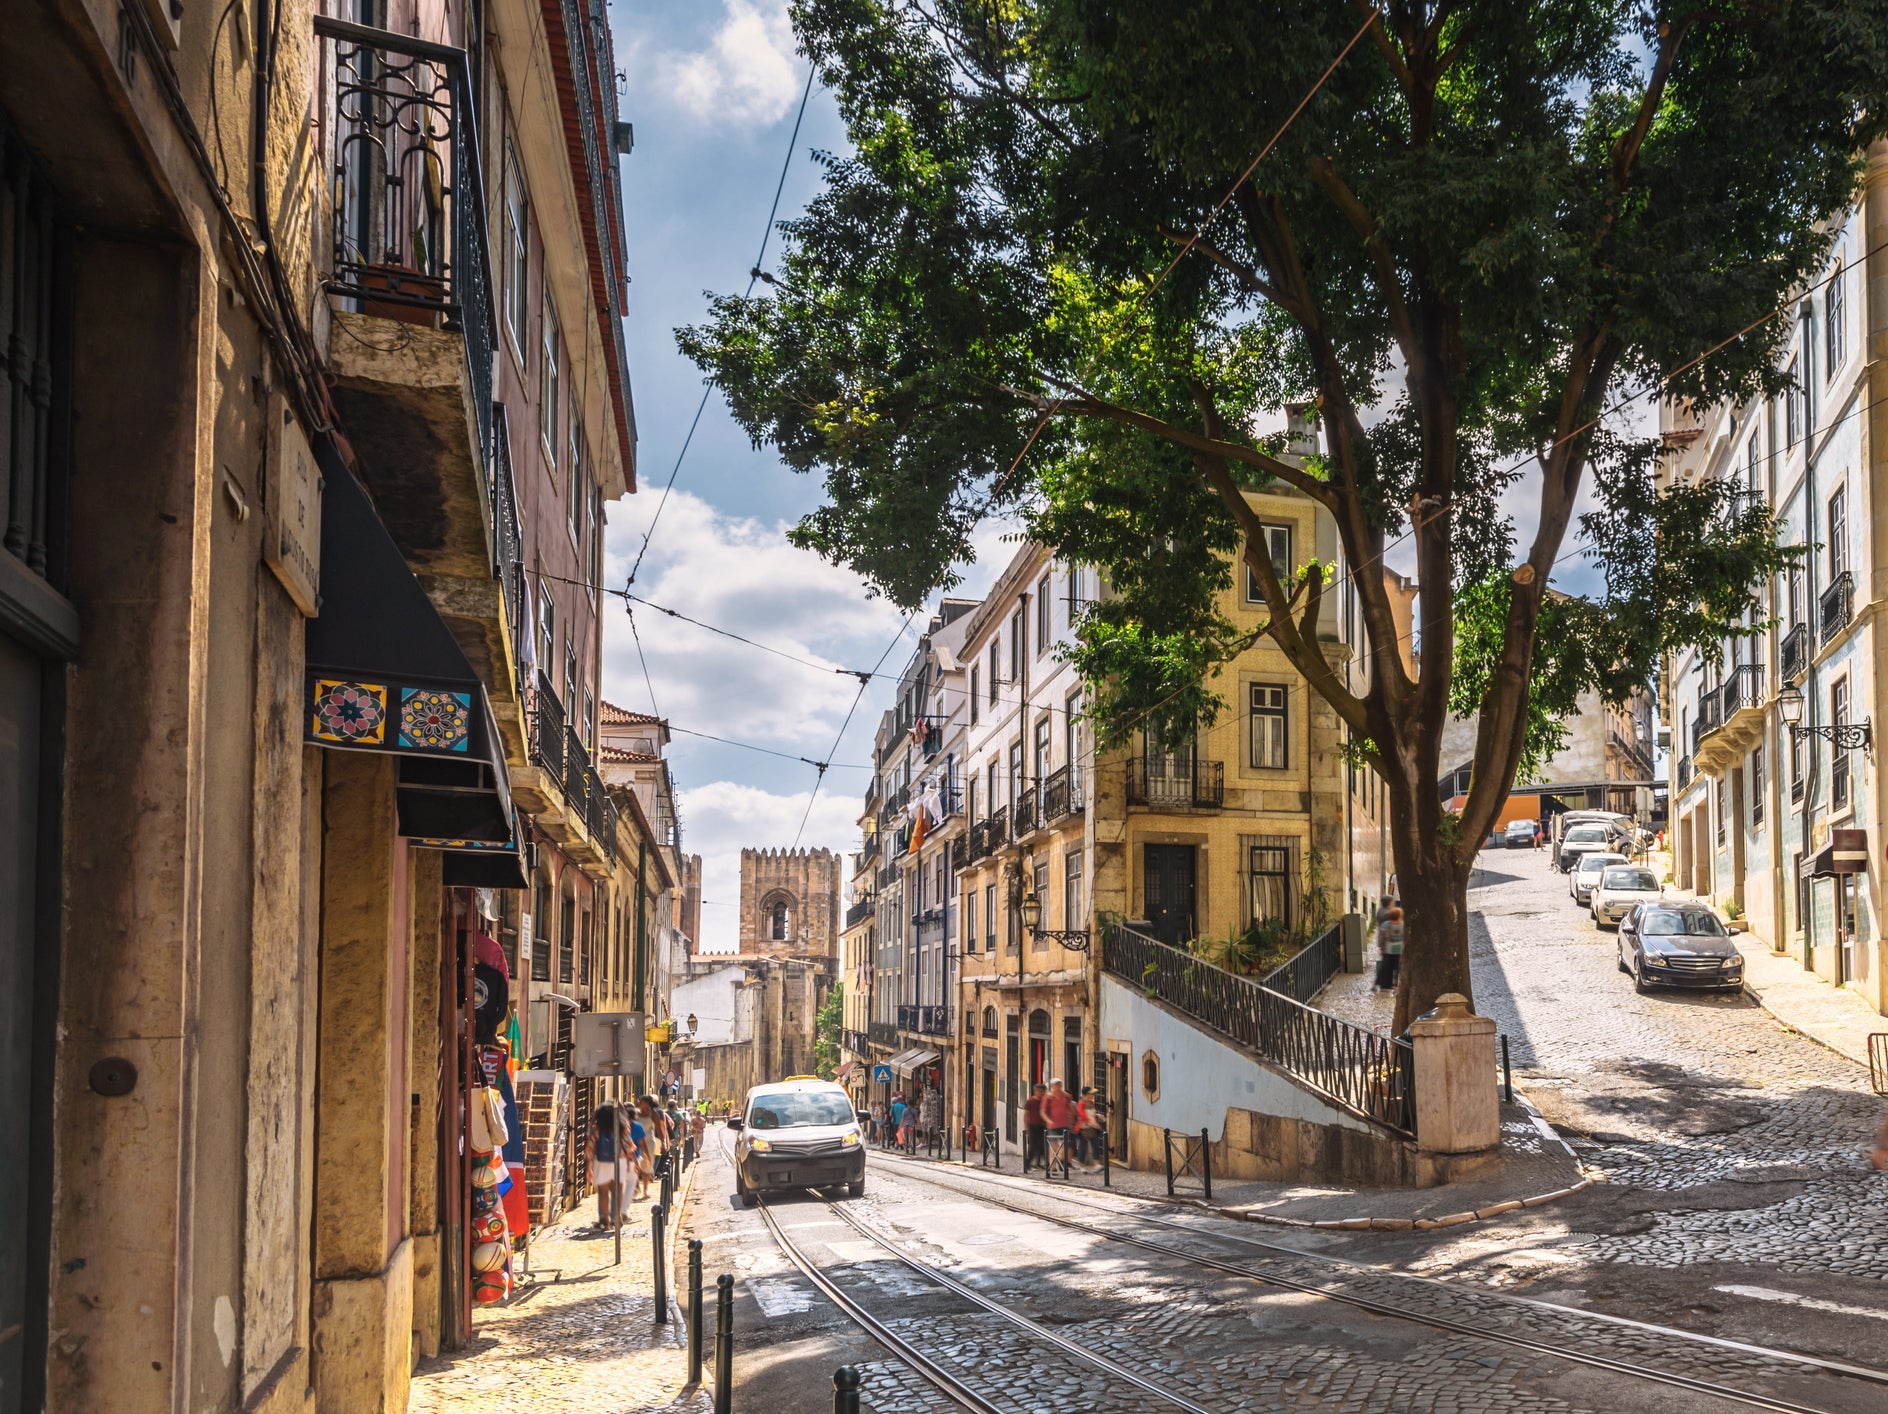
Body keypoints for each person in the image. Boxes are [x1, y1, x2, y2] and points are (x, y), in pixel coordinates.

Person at [592, 1102, 626, 1227]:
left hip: (601, 1161)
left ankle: (605, 1221)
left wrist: (588, 1167)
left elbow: (590, 1146)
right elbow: (628, 1144)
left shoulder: (596, 1127)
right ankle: (616, 1216)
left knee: (603, 1192)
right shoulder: (621, 1125)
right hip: (618, 1161)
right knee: (618, 1190)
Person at [1040, 1078, 1075, 1174]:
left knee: (1066, 1145)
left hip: (1064, 1124)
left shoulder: (1066, 1096)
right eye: (1056, 1084)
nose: (1058, 1086)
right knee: (1054, 1146)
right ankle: (1053, 1167)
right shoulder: (1048, 1097)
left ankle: (1060, 1161)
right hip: (1053, 1126)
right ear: (1052, 1086)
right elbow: (1042, 1112)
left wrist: (1072, 1120)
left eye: (1059, 1084)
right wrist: (1048, 1120)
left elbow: (1070, 1108)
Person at [1375, 904, 1405, 990]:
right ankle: (1395, 983)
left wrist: (1381, 948)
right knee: (1397, 967)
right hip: (1399, 949)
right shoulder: (1403, 924)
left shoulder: (1385, 925)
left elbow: (1381, 938)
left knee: (1388, 967)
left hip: (1388, 949)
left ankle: (1386, 984)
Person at [1075, 1086, 1104, 1172]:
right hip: (1083, 1128)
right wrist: (1093, 1123)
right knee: (1083, 1148)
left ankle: (1096, 1164)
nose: (1093, 1095)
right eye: (1091, 1094)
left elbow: (1091, 1114)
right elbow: (1082, 1115)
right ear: (1086, 1094)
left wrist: (1097, 1116)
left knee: (1095, 1145)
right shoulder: (1081, 1103)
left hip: (1092, 1128)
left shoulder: (1091, 1103)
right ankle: (1082, 1166)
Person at [1022, 1083, 1047, 1172]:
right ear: (1035, 1091)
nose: (1041, 1093)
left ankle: (1039, 1164)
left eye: (1043, 1091)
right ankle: (1027, 1164)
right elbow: (1026, 1115)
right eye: (1039, 1091)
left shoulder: (1044, 1101)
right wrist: (1026, 1128)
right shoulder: (1030, 1101)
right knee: (1032, 1147)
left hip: (1042, 1125)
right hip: (1032, 1126)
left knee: (1042, 1146)